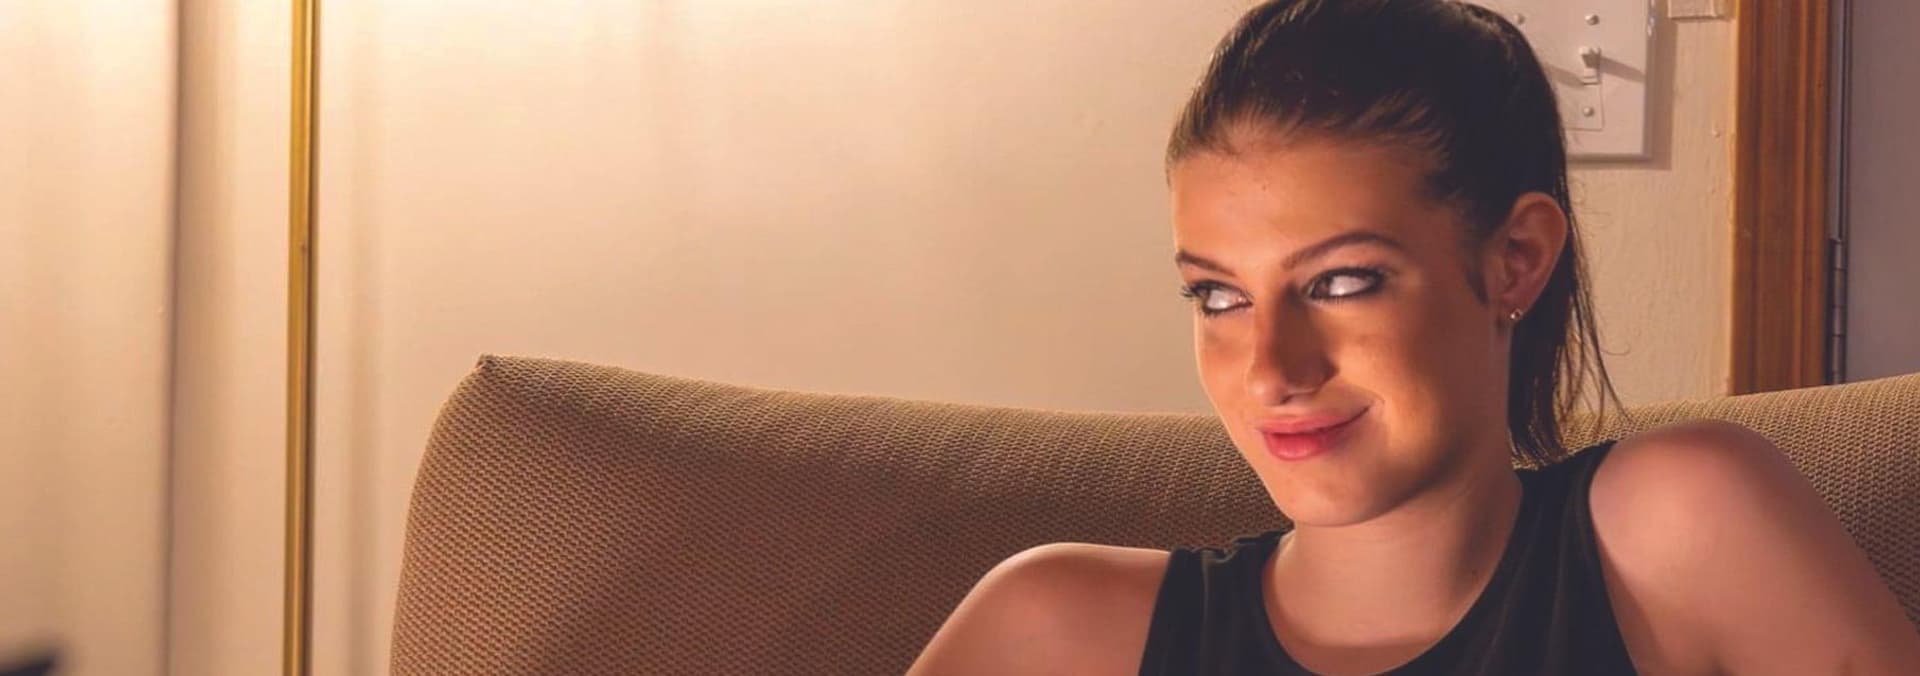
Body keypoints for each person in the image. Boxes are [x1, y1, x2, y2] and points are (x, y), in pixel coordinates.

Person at [906, 1, 1920, 673]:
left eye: (1343, 282)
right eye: (1218, 297)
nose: (1272, 370)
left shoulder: (1683, 525)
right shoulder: (1054, 629)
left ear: (1516, 259)